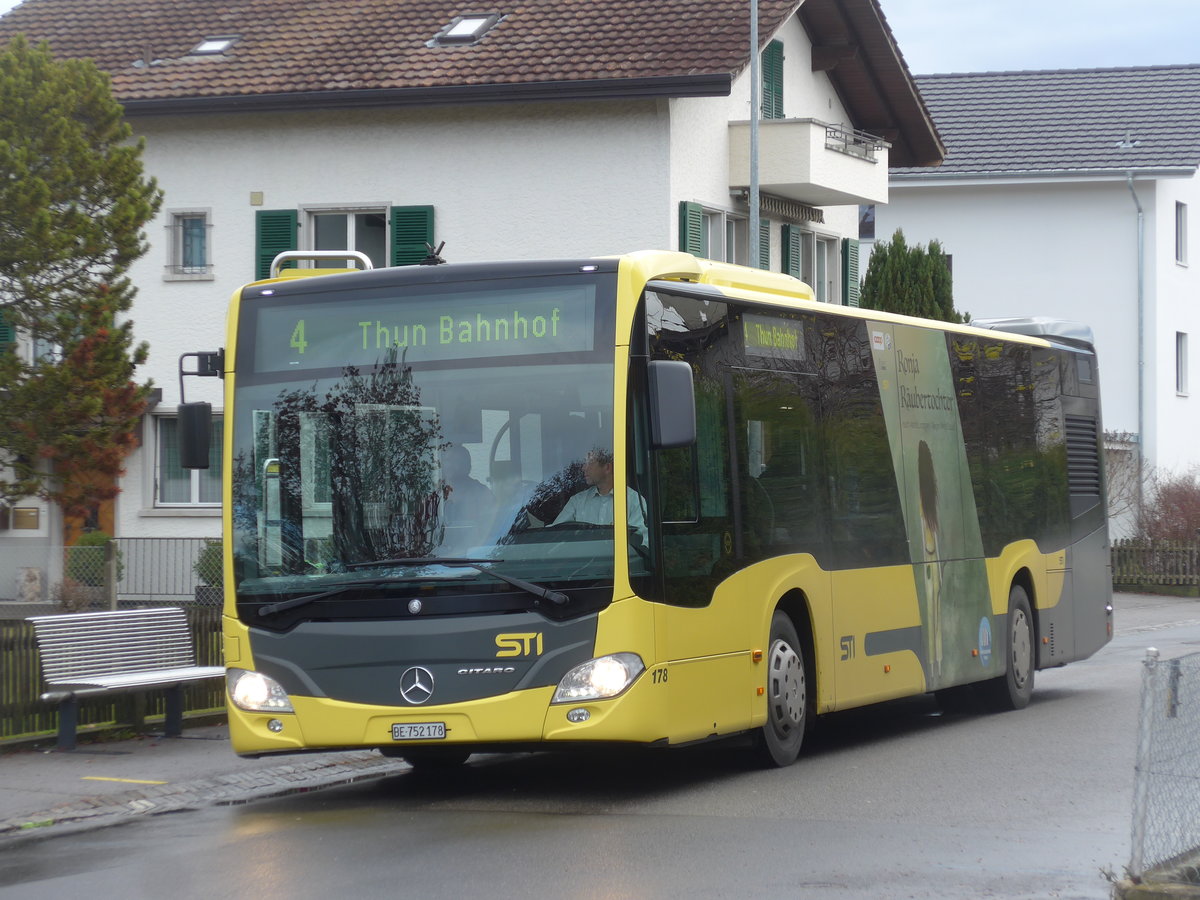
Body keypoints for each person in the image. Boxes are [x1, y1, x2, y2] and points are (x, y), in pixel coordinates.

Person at [552, 448, 647, 545]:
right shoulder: (577, 501)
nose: (583, 468)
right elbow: (553, 534)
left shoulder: (634, 501)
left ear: (607, 468)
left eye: (589, 463)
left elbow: (640, 542)